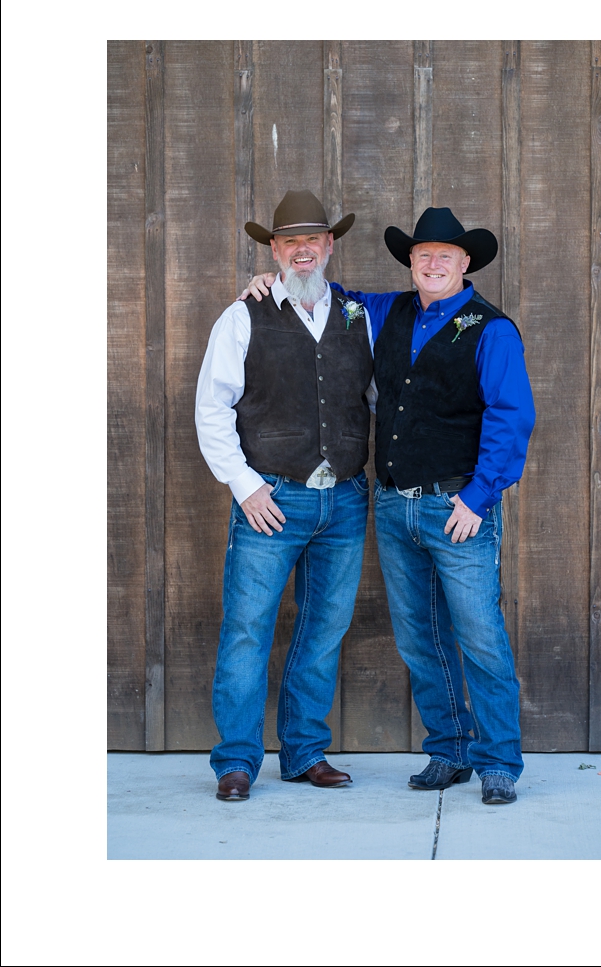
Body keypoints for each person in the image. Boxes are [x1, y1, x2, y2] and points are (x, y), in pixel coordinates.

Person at [245, 205, 535, 805]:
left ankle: (499, 762)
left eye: (445, 257)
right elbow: (324, 294)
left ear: (465, 264)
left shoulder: (491, 329)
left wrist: (478, 498)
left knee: (480, 636)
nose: (433, 263)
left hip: (458, 508)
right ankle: (449, 750)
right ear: (410, 261)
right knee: (420, 637)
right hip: (394, 508)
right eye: (423, 254)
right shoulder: (383, 311)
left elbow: (512, 419)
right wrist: (269, 283)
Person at [195, 190, 372, 801]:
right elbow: (211, 410)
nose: (303, 249)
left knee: (323, 630)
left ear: (329, 246)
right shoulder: (243, 315)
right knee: (248, 630)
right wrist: (245, 487)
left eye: (313, 239)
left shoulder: (359, 316)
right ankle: (237, 762)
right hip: (272, 500)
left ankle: (303, 754)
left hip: (344, 502)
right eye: (289, 241)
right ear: (273, 249)